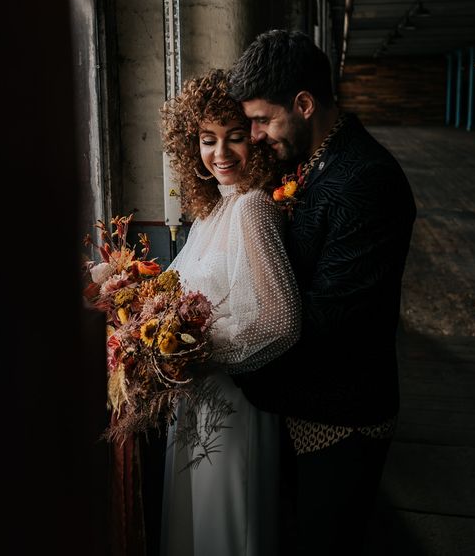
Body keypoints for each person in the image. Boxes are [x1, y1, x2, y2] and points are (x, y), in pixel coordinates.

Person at [227, 29, 416, 555]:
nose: (256, 135)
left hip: (344, 414)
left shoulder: (367, 181)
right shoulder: (308, 162)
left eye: (263, 120)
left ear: (305, 104)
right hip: (297, 399)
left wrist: (223, 347)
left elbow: (333, 320)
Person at [158, 68, 301, 556]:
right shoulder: (212, 210)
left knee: (226, 526)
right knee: (196, 519)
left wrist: (198, 355)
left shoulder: (253, 208)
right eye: (207, 140)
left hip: (233, 401)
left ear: (256, 140)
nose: (220, 154)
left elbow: (281, 320)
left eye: (235, 138)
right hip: (196, 397)